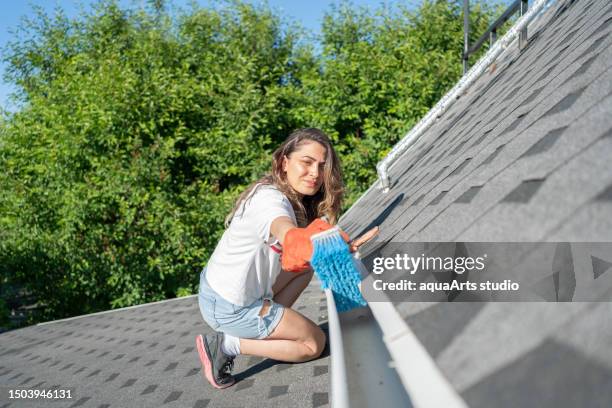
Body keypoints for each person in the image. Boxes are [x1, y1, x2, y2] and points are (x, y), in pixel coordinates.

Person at [195, 128, 378, 389]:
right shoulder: (271, 202)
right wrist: (315, 243)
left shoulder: (280, 194)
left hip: (219, 290)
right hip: (230, 307)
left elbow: (298, 256)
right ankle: (227, 344)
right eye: (306, 162)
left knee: (304, 269)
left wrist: (329, 246)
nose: (315, 173)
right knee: (313, 343)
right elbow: (286, 233)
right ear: (284, 162)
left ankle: (266, 322)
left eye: (321, 166)